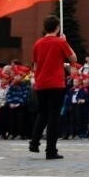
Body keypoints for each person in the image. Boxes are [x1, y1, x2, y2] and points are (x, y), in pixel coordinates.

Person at [30, 15, 77, 159]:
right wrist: (65, 42)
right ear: (57, 27)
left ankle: (34, 142)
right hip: (56, 83)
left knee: (42, 113)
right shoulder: (60, 42)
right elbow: (73, 58)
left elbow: (35, 65)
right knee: (53, 117)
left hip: (41, 83)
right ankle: (50, 150)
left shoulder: (37, 43)